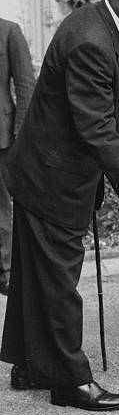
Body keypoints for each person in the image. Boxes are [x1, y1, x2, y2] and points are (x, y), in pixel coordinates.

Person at [0, 0, 119, 411]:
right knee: (57, 278)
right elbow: (95, 126)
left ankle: (33, 366)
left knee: (37, 275)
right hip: (50, 178)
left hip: (42, 170)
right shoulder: (91, 39)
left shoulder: (98, 24)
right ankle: (71, 383)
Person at [0, 18, 35, 296]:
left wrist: (21, 137)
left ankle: (7, 273)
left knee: (2, 209)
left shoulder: (9, 31)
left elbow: (25, 87)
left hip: (2, 137)